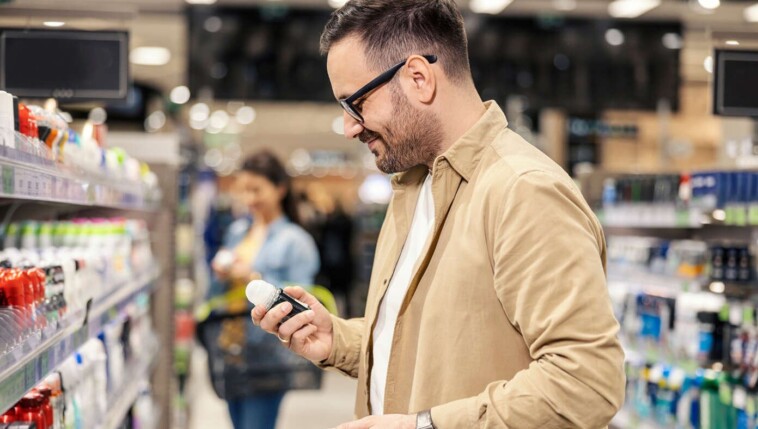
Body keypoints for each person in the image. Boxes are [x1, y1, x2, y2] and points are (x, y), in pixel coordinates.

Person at [252, 1, 626, 428]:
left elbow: (587, 382)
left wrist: (423, 426)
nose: (349, 127)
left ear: (418, 78)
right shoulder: (413, 185)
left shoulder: (523, 191)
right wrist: (338, 339)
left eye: (355, 103)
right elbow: (432, 353)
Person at [209, 150, 320, 429]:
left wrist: (254, 277)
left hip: (266, 354)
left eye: (256, 190)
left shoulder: (295, 241)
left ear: (280, 188)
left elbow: (301, 301)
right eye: (244, 191)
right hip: (231, 345)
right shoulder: (238, 231)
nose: (249, 199)